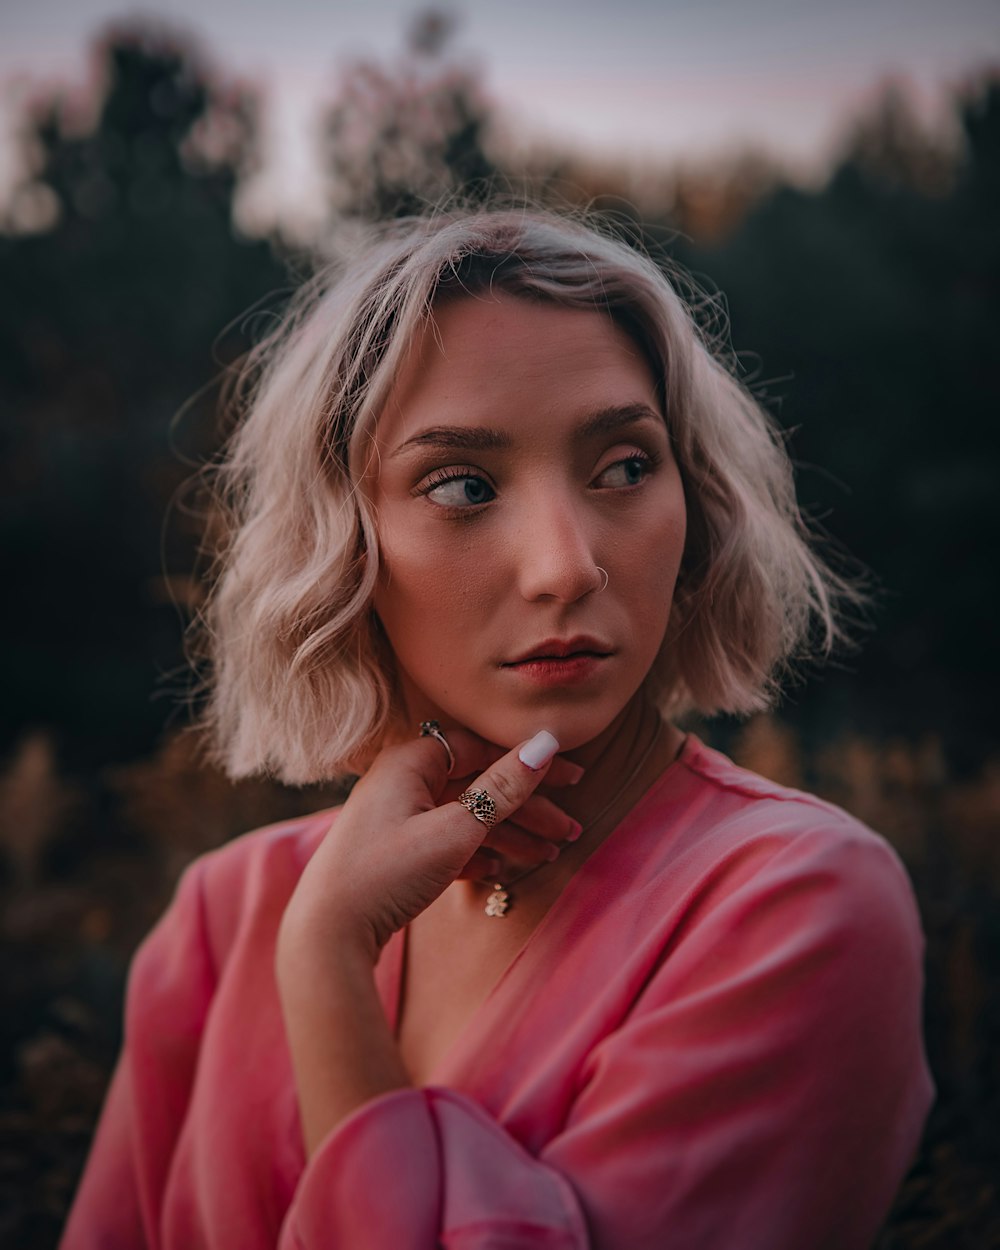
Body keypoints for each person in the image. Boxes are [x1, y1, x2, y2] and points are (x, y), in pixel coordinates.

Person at [61, 206, 933, 1249]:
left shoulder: (796, 906)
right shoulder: (223, 920)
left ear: (696, 505)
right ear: (345, 549)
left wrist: (330, 965)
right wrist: (306, 928)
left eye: (623, 466)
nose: (565, 565)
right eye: (463, 486)